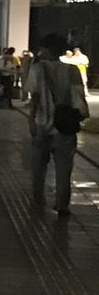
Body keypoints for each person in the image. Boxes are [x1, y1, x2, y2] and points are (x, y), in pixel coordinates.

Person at [26, 32, 89, 217]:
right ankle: (62, 206)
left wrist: (31, 120)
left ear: (46, 49)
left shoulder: (38, 69)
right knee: (64, 169)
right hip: (65, 126)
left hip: (43, 125)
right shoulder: (72, 70)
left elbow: (35, 97)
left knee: (38, 168)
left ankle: (37, 201)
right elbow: (79, 97)